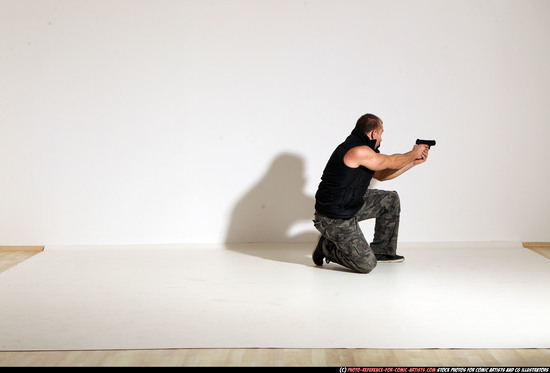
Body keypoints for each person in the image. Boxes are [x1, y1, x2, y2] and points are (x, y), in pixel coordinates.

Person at [313, 113, 430, 273]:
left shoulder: (364, 152)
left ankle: (382, 250)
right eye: (381, 134)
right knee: (366, 265)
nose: (381, 139)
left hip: (351, 205)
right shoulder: (357, 151)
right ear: (374, 133)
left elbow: (382, 175)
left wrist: (413, 162)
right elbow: (392, 162)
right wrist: (413, 153)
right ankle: (326, 247)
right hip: (334, 219)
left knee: (390, 199)